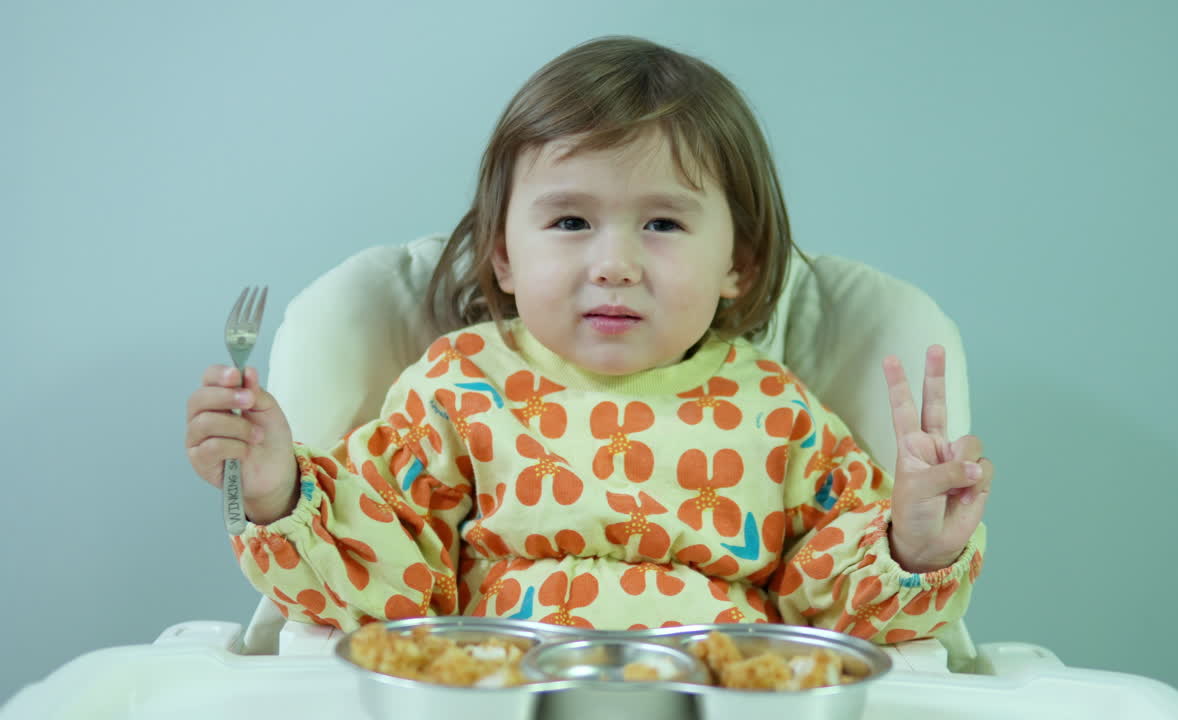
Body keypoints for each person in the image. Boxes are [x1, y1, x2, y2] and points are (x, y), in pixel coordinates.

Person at [184, 36, 991, 642]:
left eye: (663, 223)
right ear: (502, 253)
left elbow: (834, 616)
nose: (615, 265)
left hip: (718, 691)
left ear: (738, 263)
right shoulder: (459, 387)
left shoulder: (777, 412)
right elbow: (383, 577)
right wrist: (277, 490)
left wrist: (908, 548)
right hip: (498, 686)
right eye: (571, 221)